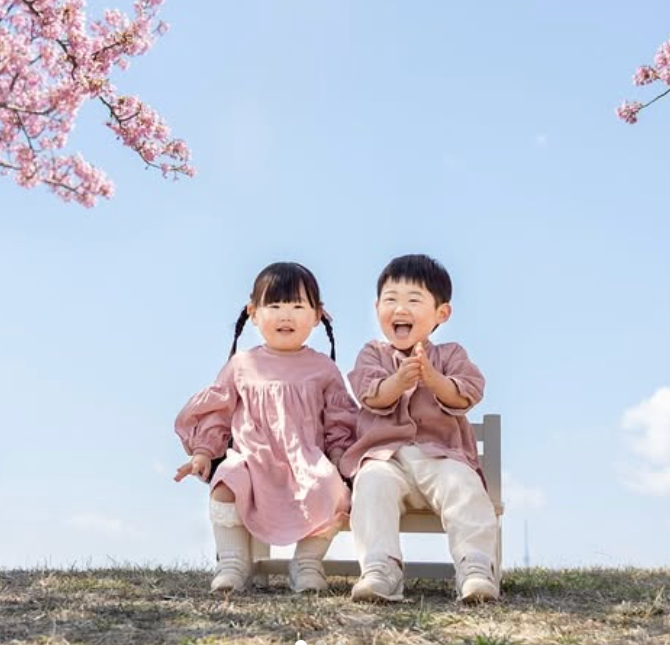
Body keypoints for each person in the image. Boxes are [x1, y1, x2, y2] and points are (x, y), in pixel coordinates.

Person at [174, 261, 358, 594]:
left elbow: (339, 418)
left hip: (305, 458)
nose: (286, 315)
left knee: (328, 485)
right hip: (251, 458)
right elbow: (218, 412)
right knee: (226, 479)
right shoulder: (242, 364)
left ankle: (306, 563)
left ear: (317, 316)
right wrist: (203, 452)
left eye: (297, 306)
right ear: (254, 313)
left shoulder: (323, 368)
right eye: (274, 305)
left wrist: (340, 457)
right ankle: (233, 562)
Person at [342, 253, 500, 603]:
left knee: (464, 486)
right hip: (387, 459)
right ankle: (380, 568)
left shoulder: (450, 354)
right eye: (390, 300)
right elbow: (371, 394)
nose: (400, 308)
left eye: (414, 300)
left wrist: (433, 378)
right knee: (370, 484)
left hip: (442, 457)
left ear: (441, 313)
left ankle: (474, 567)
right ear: (377, 307)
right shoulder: (372, 353)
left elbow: (468, 392)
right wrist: (398, 381)